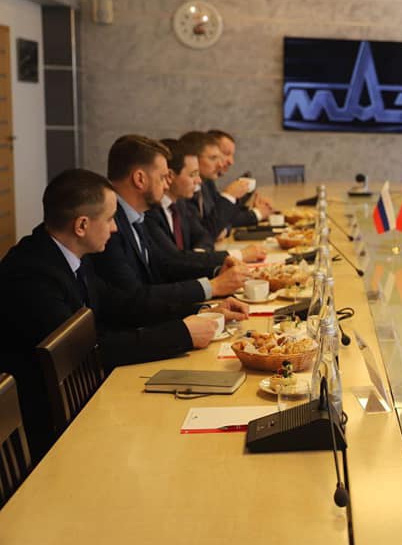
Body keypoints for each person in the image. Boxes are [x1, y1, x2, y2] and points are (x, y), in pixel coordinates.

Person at [0, 169, 248, 457]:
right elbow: (84, 353)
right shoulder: (33, 275)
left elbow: (122, 303)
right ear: (82, 225)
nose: (116, 228)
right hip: (46, 433)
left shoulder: (69, 252)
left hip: (82, 400)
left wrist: (203, 310)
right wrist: (182, 333)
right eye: (109, 219)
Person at [90, 135, 247, 306]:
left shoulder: (135, 215)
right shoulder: (108, 225)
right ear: (140, 179)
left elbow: (163, 265)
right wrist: (212, 287)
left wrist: (216, 273)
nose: (167, 185)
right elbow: (133, 298)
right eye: (162, 178)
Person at [144, 139, 266, 274]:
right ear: (170, 176)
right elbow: (174, 260)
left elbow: (203, 235)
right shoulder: (149, 212)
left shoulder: (179, 204)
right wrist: (239, 255)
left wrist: (198, 259)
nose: (198, 180)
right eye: (193, 174)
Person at [208, 129, 274, 226]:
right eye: (226, 154)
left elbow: (222, 216)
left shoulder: (207, 183)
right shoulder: (196, 187)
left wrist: (255, 211)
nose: (231, 162)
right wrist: (257, 213)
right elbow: (216, 223)